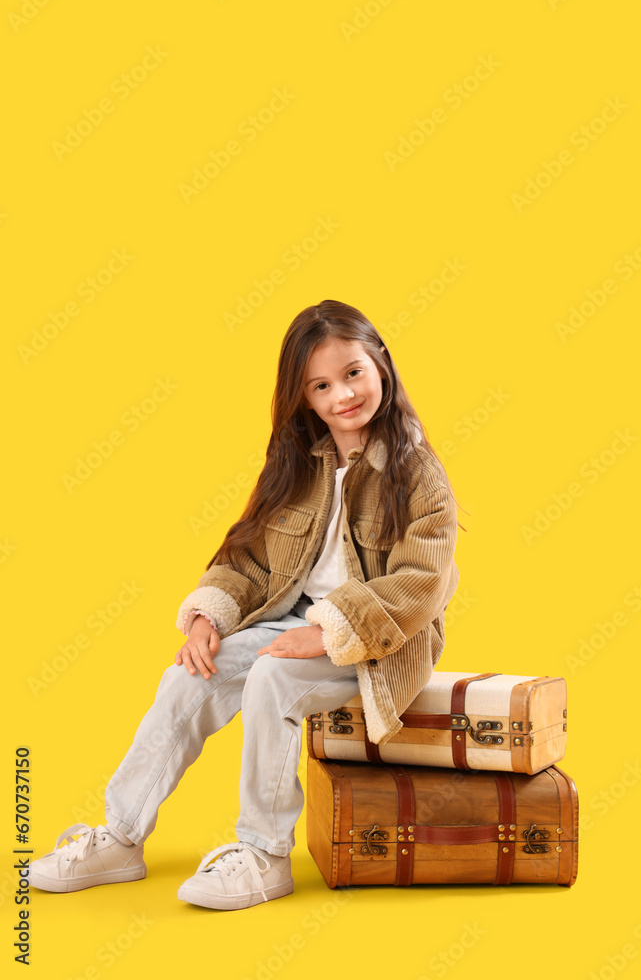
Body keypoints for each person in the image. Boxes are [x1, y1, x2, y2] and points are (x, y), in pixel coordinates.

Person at [29, 299, 463, 911]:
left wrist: (330, 633)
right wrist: (210, 616)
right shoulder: (300, 467)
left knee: (272, 678)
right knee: (187, 676)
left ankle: (263, 853)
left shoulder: (419, 474)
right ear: (304, 397)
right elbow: (251, 559)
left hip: (376, 646)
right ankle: (122, 836)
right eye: (321, 385)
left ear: (382, 366)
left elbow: (421, 583)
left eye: (354, 373)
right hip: (293, 624)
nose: (342, 394)